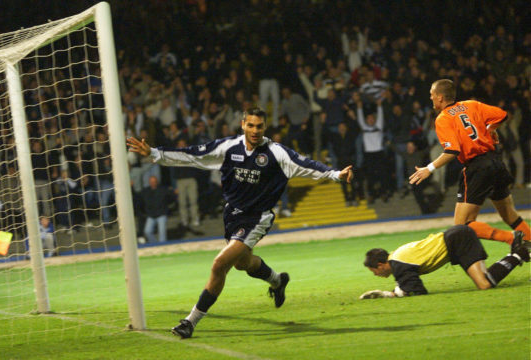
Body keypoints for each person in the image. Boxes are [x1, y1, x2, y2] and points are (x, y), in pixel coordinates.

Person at [127, 107, 354, 339]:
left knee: (219, 265)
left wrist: (335, 174)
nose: (255, 130)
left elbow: (308, 165)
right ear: (243, 124)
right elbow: (193, 154)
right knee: (242, 264)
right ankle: (277, 280)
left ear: (264, 127)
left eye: (260, 126)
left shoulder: (277, 153)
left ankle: (190, 321)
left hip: (257, 218)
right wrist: (155, 153)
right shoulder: (228, 147)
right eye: (251, 125)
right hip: (232, 215)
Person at [409, 79, 530, 244]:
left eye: (432, 95)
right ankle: (528, 239)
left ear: (440, 97)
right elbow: (503, 115)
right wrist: (490, 129)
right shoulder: (472, 105)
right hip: (496, 162)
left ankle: (512, 238)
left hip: (477, 167)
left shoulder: (443, 118)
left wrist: (428, 168)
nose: (430, 98)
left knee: (462, 226)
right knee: (510, 215)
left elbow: (452, 151)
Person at [360, 225, 529, 299]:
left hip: (457, 240)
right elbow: (408, 286)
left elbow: (417, 290)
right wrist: (392, 293)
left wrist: (387, 294)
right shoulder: (397, 257)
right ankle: (518, 254)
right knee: (484, 282)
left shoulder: (397, 263)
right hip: (455, 238)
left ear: (380, 265)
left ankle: (519, 254)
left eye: (373, 271)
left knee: (484, 284)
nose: (376, 275)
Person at [141, 175, 170, 243]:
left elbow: (169, 199)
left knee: (162, 233)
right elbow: (142, 202)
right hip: (151, 215)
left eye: (154, 182)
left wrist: (166, 210)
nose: (153, 183)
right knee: (147, 231)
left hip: (161, 214)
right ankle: (154, 244)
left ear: (157, 182)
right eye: (151, 182)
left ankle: (163, 247)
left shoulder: (163, 190)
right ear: (149, 182)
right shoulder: (146, 191)